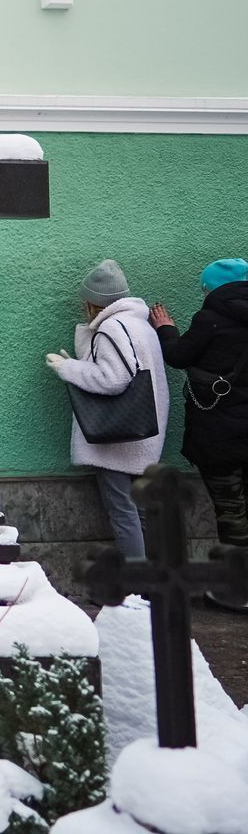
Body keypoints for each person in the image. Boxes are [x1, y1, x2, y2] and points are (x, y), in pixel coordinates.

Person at [44, 260, 168, 560]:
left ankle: (136, 590)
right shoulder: (139, 325)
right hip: (144, 431)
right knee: (139, 512)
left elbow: (112, 380)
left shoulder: (112, 327)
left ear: (93, 302)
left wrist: (68, 369)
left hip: (116, 438)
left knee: (122, 511)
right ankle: (151, 585)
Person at [150, 257, 248, 608]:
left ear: (213, 289)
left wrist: (166, 328)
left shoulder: (211, 319)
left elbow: (178, 356)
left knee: (231, 511)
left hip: (220, 435)